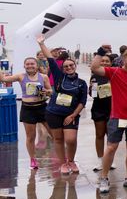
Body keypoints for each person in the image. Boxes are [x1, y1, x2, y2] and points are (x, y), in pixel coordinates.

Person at [91, 47, 127, 194]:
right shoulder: (114, 72)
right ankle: (104, 178)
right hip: (116, 117)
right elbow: (95, 67)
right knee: (111, 148)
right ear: (123, 60)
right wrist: (100, 53)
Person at [37, 36, 87, 174]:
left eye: (71, 65)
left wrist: (73, 115)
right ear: (63, 69)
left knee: (71, 139)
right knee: (58, 139)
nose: (69, 67)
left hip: (71, 114)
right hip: (53, 113)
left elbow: (82, 102)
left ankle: (71, 160)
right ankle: (63, 163)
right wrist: (41, 43)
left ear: (75, 66)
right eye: (66, 66)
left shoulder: (82, 83)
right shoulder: (59, 77)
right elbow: (50, 59)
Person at [0, 56, 51, 168]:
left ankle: (64, 157)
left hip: (42, 107)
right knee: (30, 136)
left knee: (54, 134)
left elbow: (51, 92)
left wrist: (45, 91)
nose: (30, 66)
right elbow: (3, 79)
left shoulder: (43, 77)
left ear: (37, 65)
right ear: (24, 66)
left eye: (32, 63)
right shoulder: (21, 76)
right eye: (27, 64)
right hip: (28, 109)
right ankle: (33, 160)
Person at [89, 53, 114, 172]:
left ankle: (110, 160)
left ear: (111, 63)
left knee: (111, 135)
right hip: (98, 108)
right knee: (99, 135)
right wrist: (93, 89)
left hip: (113, 109)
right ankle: (100, 160)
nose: (104, 63)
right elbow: (93, 94)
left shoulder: (114, 74)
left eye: (107, 61)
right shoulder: (94, 76)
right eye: (102, 61)